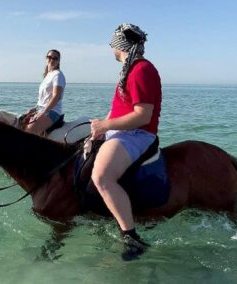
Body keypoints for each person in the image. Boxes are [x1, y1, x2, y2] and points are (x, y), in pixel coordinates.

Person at [90, 23, 162, 260]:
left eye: (113, 44)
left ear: (119, 46)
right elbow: (119, 109)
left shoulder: (141, 70)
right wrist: (99, 129)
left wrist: (106, 125)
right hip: (122, 131)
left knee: (101, 177)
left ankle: (132, 238)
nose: (111, 49)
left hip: (138, 134)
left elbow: (143, 115)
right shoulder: (129, 69)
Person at [23, 49, 66, 136]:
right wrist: (35, 108)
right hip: (41, 109)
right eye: (49, 57)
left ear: (59, 61)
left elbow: (56, 96)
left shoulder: (57, 75)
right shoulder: (48, 75)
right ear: (46, 59)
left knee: (28, 131)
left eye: (55, 58)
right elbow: (43, 98)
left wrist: (43, 112)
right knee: (21, 124)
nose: (52, 60)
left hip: (52, 112)